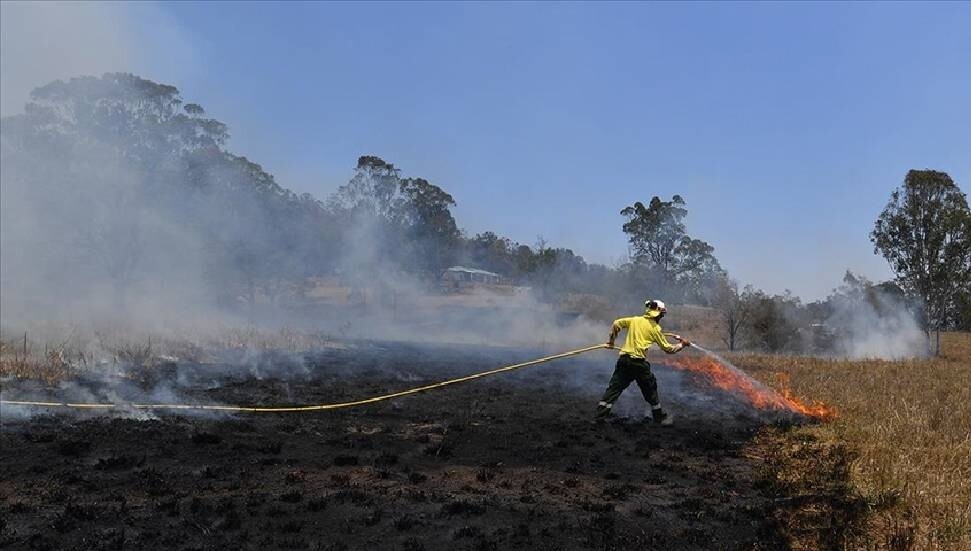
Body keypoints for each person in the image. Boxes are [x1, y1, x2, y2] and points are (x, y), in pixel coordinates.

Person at [597, 299, 691, 425]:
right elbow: (669, 349)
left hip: (624, 360)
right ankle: (658, 417)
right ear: (658, 313)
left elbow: (616, 324)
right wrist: (682, 344)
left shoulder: (635, 320)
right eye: (662, 314)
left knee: (615, 387)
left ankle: (600, 415)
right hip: (638, 363)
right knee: (650, 386)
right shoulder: (655, 329)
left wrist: (611, 342)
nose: (662, 317)